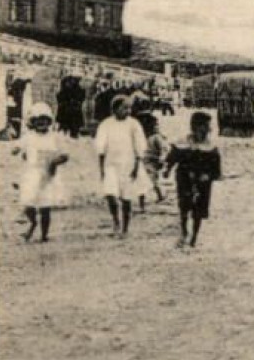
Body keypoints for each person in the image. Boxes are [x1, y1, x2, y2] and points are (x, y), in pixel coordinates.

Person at [163, 112, 223, 249]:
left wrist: (209, 176)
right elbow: (172, 157)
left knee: (199, 210)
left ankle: (194, 237)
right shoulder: (183, 143)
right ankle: (184, 231)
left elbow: (216, 170)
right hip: (184, 178)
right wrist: (167, 169)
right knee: (184, 205)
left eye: (209, 127)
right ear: (195, 127)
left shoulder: (211, 148)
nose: (209, 130)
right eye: (206, 126)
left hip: (203, 182)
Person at [12, 102, 69, 243]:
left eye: (45, 119)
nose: (42, 123)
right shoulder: (29, 136)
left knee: (45, 207)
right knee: (28, 202)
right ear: (33, 122)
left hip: (48, 176)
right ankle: (32, 222)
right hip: (31, 174)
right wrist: (16, 149)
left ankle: (44, 234)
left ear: (49, 121)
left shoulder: (54, 137)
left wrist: (56, 161)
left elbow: (65, 155)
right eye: (38, 120)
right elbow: (18, 146)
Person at [95, 95, 150, 237]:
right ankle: (115, 221)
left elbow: (139, 146)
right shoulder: (106, 124)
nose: (128, 111)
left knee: (126, 198)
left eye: (129, 108)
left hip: (128, 165)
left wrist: (137, 167)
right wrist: (101, 168)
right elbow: (101, 148)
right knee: (110, 194)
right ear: (114, 109)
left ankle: (125, 227)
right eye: (124, 108)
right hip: (111, 165)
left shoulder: (133, 124)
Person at [139, 113, 169, 209]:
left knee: (151, 180)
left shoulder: (156, 137)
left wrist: (162, 158)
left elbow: (164, 149)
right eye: (155, 125)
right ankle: (145, 201)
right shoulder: (147, 137)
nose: (157, 127)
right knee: (148, 180)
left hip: (152, 161)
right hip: (145, 161)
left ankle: (157, 196)